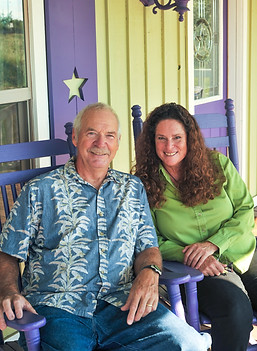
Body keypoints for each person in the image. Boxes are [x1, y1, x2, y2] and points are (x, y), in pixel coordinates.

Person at [0, 102, 211, 351]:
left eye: (109, 135)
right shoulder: (40, 190)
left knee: (189, 344)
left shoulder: (132, 189)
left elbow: (148, 247)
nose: (101, 143)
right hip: (58, 309)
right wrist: (8, 291)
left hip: (122, 305)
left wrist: (150, 271)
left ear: (117, 143)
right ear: (76, 137)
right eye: (92, 133)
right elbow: (8, 253)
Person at [134, 102, 257, 351]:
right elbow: (150, 239)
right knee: (235, 310)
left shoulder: (217, 165)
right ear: (151, 141)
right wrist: (191, 256)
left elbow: (245, 209)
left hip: (242, 252)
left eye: (177, 137)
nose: (169, 147)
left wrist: (214, 244)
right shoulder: (144, 184)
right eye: (161, 138)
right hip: (195, 270)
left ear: (190, 138)